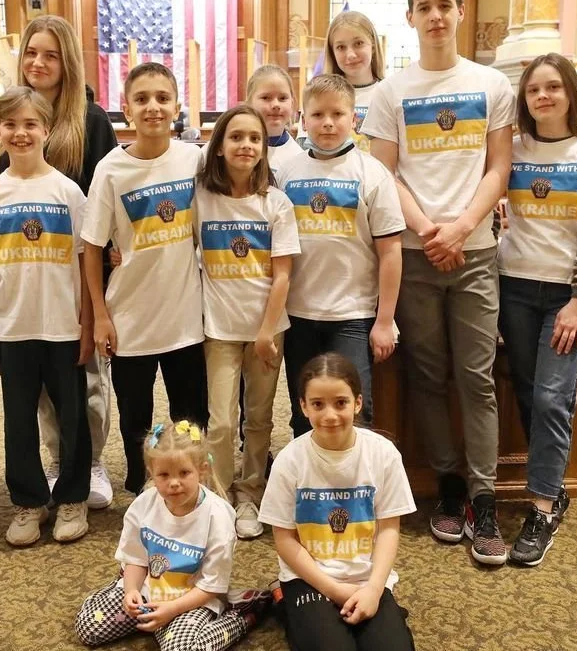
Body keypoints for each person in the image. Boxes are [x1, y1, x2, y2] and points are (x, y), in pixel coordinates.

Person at [363, 0, 514, 565]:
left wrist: (458, 228)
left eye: (444, 5)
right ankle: (447, 486)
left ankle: (483, 497)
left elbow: (498, 167)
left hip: (474, 254)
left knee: (476, 377)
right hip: (418, 256)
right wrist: (427, 230)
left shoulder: (490, 84)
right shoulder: (390, 91)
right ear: (410, 17)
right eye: (423, 6)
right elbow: (384, 174)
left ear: (459, 10)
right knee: (427, 375)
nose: (435, 16)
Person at [0, 14, 119, 510]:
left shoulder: (92, 119)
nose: (39, 62)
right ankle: (57, 461)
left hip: (77, 272)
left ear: (68, 62)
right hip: (24, 279)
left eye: (51, 54)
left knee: (86, 380)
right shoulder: (16, 115)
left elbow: (109, 191)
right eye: (32, 53)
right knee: (37, 392)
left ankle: (91, 461)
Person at [498, 54, 577, 565]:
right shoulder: (513, 148)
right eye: (533, 90)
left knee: (551, 397)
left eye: (552, 87)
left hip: (566, 297)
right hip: (515, 287)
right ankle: (551, 484)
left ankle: (543, 506)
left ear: (570, 91)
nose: (543, 96)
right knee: (527, 389)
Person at [0, 87, 93, 545]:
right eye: (10, 125)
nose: (21, 133)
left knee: (72, 415)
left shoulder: (68, 192)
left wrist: (88, 325)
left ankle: (73, 497)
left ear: (47, 130)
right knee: (17, 419)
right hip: (13, 327)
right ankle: (28, 502)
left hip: (62, 325)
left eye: (30, 124)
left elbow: (84, 262)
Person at [81, 62, 208, 495]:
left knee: (191, 416)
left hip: (186, 318)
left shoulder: (195, 160)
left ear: (176, 105)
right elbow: (93, 246)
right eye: (141, 99)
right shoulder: (111, 170)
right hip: (130, 318)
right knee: (136, 419)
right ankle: (141, 491)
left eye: (162, 97)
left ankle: (192, 491)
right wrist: (100, 316)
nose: (152, 107)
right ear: (125, 108)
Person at [259, 353, 417, 651]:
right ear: (303, 406)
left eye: (341, 403)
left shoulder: (383, 454)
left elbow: (388, 529)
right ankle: (285, 602)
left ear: (358, 403)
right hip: (308, 577)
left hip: (366, 577)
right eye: (318, 404)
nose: (330, 415)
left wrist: (373, 589)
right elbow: (285, 540)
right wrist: (333, 589)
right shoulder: (289, 461)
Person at [277, 74, 404, 437]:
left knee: (351, 410)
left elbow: (391, 251)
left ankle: (353, 488)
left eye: (337, 113)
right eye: (317, 114)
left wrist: (385, 320)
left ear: (354, 119)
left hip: (353, 314)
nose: (327, 122)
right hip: (299, 313)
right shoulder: (288, 173)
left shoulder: (372, 173)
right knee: (306, 410)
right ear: (302, 118)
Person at [195, 105, 300, 540]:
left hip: (267, 330)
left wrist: (264, 331)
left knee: (258, 419)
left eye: (254, 139)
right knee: (221, 421)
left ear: (264, 148)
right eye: (236, 137)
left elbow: (283, 275)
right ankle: (219, 498)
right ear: (218, 147)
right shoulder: (200, 196)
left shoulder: (275, 203)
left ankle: (249, 494)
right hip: (219, 328)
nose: (246, 146)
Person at [75, 421, 271, 650]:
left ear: (202, 470)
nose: (174, 483)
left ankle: (241, 613)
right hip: (150, 590)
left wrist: (172, 610)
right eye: (164, 475)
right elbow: (136, 559)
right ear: (152, 474)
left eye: (184, 473)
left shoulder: (218, 516)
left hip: (194, 599)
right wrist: (131, 592)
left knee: (181, 648)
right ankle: (149, 617)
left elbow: (211, 586)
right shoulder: (142, 506)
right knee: (89, 627)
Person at [324, 10, 386, 152]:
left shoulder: (389, 92)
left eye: (358, 43)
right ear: (332, 52)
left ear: (373, 46)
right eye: (341, 47)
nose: (351, 55)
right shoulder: (320, 96)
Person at [246, 64, 304, 172]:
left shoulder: (300, 159)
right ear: (249, 103)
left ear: (292, 103)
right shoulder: (231, 148)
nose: (276, 105)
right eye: (266, 98)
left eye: (282, 98)